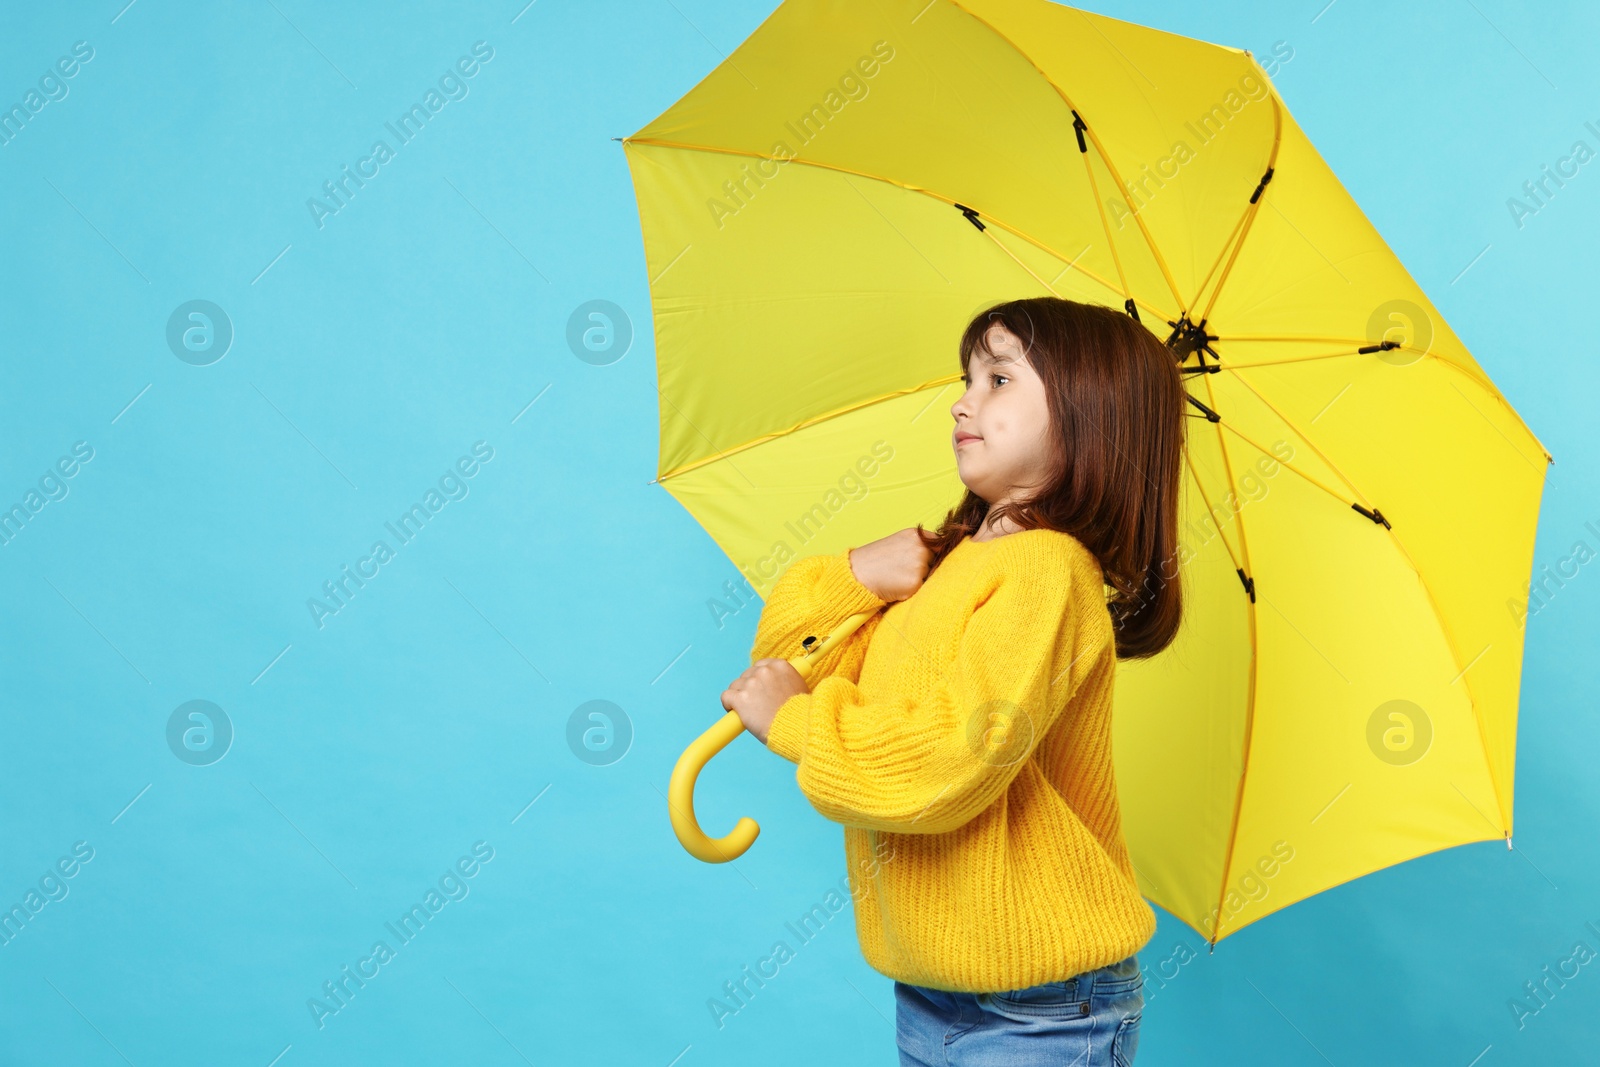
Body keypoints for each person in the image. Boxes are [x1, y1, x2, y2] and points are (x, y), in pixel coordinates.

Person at [721, 296, 1187, 1066]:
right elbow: (783, 665)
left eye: (999, 380)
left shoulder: (1047, 572)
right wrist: (855, 578)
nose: (963, 400)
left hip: (1039, 1008)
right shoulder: (952, 562)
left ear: (1087, 417)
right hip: (934, 987)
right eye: (968, 377)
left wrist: (802, 725)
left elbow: (950, 762)